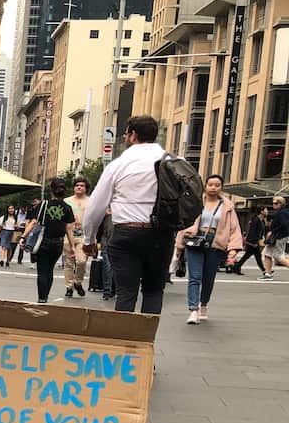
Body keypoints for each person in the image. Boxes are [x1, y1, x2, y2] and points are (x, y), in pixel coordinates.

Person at [82, 115, 169, 313]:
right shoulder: (172, 161)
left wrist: (89, 239)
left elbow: (96, 206)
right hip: (161, 234)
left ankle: (123, 342)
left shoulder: (119, 165)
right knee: (154, 291)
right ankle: (145, 342)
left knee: (126, 292)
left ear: (133, 135)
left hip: (127, 234)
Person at [176, 174, 241, 324]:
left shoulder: (227, 206)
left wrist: (233, 249)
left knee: (208, 278)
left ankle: (203, 304)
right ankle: (193, 309)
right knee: (195, 277)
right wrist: (179, 246)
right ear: (205, 186)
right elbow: (184, 222)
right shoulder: (197, 202)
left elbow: (234, 228)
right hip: (195, 240)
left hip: (216, 243)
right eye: (210, 184)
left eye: (217, 185)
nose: (213, 187)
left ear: (221, 187)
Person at [29, 179, 76, 304]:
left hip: (43, 241)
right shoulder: (67, 207)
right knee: (50, 269)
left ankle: (42, 298)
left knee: (42, 270)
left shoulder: (43, 204)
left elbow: (34, 222)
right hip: (58, 243)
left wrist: (23, 236)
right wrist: (73, 247)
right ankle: (46, 296)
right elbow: (69, 229)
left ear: (51, 191)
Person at [63, 176, 91, 297]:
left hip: (84, 235)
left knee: (81, 261)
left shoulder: (91, 201)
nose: (79, 187)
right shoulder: (66, 201)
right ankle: (69, 287)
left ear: (86, 188)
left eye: (82, 185)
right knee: (69, 262)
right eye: (77, 185)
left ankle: (77, 282)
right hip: (68, 235)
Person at [260, 196, 289, 279]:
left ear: (281, 204)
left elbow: (284, 225)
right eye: (273, 203)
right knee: (267, 254)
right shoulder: (283, 212)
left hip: (278, 237)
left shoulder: (281, 213)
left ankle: (268, 274)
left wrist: (273, 231)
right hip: (280, 236)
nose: (273, 205)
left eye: (275, 203)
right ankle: (268, 273)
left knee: (279, 257)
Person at [233, 206, 267, 275]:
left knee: (247, 256)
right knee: (257, 256)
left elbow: (260, 231)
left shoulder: (261, 220)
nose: (267, 211)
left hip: (254, 242)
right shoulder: (256, 220)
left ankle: (237, 266)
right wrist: (253, 242)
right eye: (266, 210)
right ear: (261, 211)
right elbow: (252, 231)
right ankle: (264, 271)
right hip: (252, 242)